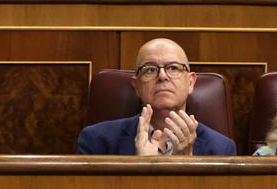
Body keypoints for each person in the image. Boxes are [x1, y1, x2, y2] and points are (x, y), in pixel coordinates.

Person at [77, 38, 236, 156]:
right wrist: (142, 169)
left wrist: (186, 165)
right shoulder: (97, 141)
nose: (162, 76)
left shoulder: (221, 149)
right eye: (150, 70)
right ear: (137, 85)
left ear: (190, 82)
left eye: (173, 68)